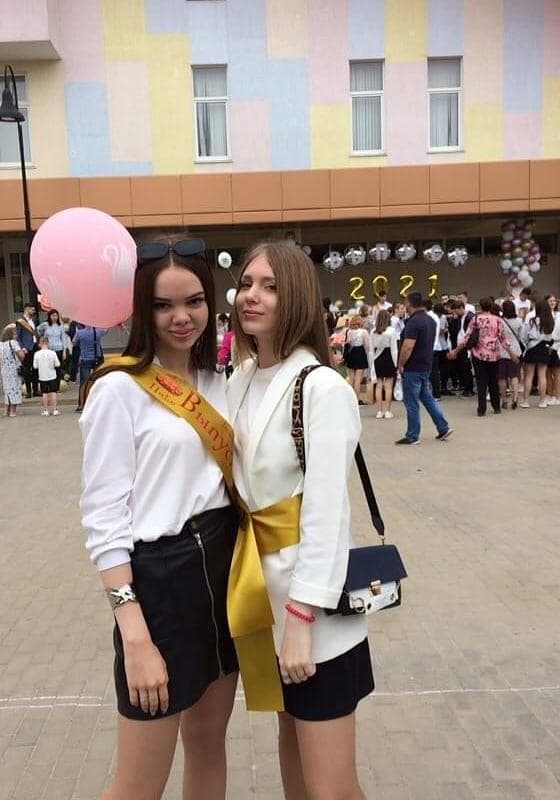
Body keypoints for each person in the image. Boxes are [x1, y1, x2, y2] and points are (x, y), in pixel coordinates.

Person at [79, 236, 239, 800]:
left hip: (223, 568)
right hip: (160, 582)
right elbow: (104, 518)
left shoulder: (221, 383)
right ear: (141, 311)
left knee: (208, 745)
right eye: (163, 305)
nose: (181, 317)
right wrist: (135, 636)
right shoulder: (117, 390)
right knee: (138, 784)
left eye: (193, 302)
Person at [229, 240, 373, 800]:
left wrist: (301, 616)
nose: (252, 296)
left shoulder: (321, 387)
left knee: (331, 786)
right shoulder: (241, 379)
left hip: (313, 613)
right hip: (260, 594)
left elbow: (327, 513)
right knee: (291, 751)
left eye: (270, 287)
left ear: (297, 299)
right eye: (246, 284)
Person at [396, 292, 452, 445]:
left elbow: (408, 346)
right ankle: (443, 427)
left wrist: (401, 364)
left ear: (409, 304)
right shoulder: (430, 320)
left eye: (405, 303)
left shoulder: (413, 322)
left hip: (413, 366)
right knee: (426, 396)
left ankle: (413, 435)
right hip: (426, 363)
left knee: (411, 401)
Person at [447, 298, 520, 417]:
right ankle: (496, 407)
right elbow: (503, 340)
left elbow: (466, 338)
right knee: (493, 381)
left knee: (481, 382)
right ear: (491, 307)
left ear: (480, 307)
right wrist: (512, 354)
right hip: (494, 355)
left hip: (478, 354)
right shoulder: (497, 320)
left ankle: (481, 409)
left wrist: (455, 351)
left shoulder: (475, 319)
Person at [520, 298, 555, 408]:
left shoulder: (532, 320)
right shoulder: (550, 321)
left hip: (532, 348)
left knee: (529, 375)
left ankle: (525, 401)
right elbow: (552, 337)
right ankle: (542, 401)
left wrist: (527, 343)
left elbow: (524, 336)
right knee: (542, 375)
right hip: (544, 348)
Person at [369, 309, 397, 419]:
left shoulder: (373, 331)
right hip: (389, 357)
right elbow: (394, 349)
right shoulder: (391, 331)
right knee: (388, 386)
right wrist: (395, 364)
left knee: (379, 385)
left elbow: (371, 350)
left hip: (377, 358)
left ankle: (379, 411)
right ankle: (387, 411)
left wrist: (372, 363)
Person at [73, 324, 108, 413]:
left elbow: (74, 343)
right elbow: (106, 329)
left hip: (85, 359)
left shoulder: (80, 333)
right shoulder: (98, 331)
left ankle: (82, 405)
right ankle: (98, 404)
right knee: (98, 382)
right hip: (97, 359)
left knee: (84, 383)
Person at [498, 300, 524, 410]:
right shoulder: (519, 321)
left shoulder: (500, 321)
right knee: (514, 375)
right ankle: (515, 397)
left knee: (502, 377)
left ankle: (504, 399)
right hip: (515, 350)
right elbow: (521, 337)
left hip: (502, 350)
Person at [0, 324, 24, 417]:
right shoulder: (14, 343)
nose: (16, 335)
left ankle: (6, 411)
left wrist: (0, 369)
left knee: (7, 390)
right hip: (14, 370)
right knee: (14, 390)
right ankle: (13, 411)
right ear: (11, 334)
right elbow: (21, 356)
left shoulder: (0, 344)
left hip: (4, 371)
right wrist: (23, 352)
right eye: (15, 333)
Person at [448, 301, 475, 396]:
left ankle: (469, 389)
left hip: (466, 346)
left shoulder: (469, 317)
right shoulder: (461, 317)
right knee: (463, 367)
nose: (455, 314)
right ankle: (466, 388)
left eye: (456, 311)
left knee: (467, 368)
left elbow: (468, 334)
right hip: (461, 344)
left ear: (461, 308)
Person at [343, 316, 370, 405]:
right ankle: (356, 399)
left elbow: (346, 343)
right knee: (358, 379)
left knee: (352, 379)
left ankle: (350, 399)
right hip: (360, 353)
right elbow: (367, 345)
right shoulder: (364, 332)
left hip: (351, 354)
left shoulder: (349, 331)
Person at [37, 309, 67, 390]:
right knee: (48, 368)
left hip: (59, 349)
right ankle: (48, 386)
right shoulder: (45, 325)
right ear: (49, 316)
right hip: (48, 350)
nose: (55, 317)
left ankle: (56, 387)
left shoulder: (60, 326)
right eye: (53, 316)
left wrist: (64, 351)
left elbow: (63, 339)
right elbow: (36, 331)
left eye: (56, 316)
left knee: (58, 368)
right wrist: (41, 340)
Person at [33, 336, 61, 416]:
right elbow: (57, 364)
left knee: (44, 393)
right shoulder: (53, 353)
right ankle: (55, 410)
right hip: (52, 375)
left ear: (40, 344)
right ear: (48, 343)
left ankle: (45, 410)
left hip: (42, 376)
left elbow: (35, 366)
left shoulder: (37, 354)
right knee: (53, 392)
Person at [16, 303, 40, 398]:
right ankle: (28, 392)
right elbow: (18, 337)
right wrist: (22, 347)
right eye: (32, 310)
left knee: (35, 369)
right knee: (27, 370)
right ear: (27, 309)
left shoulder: (33, 320)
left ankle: (35, 390)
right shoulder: (20, 321)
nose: (34, 312)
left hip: (35, 347)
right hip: (26, 348)